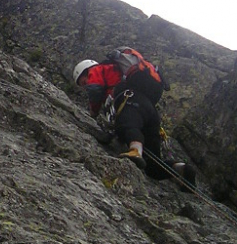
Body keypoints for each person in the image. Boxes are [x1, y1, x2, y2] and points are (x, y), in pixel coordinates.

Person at [73, 55, 195, 186]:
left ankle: (135, 150)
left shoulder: (97, 69)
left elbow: (95, 89)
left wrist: (93, 112)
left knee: (126, 125)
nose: (86, 86)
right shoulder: (117, 72)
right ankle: (181, 169)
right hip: (149, 111)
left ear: (86, 70)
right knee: (151, 165)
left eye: (84, 82)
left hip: (130, 101)